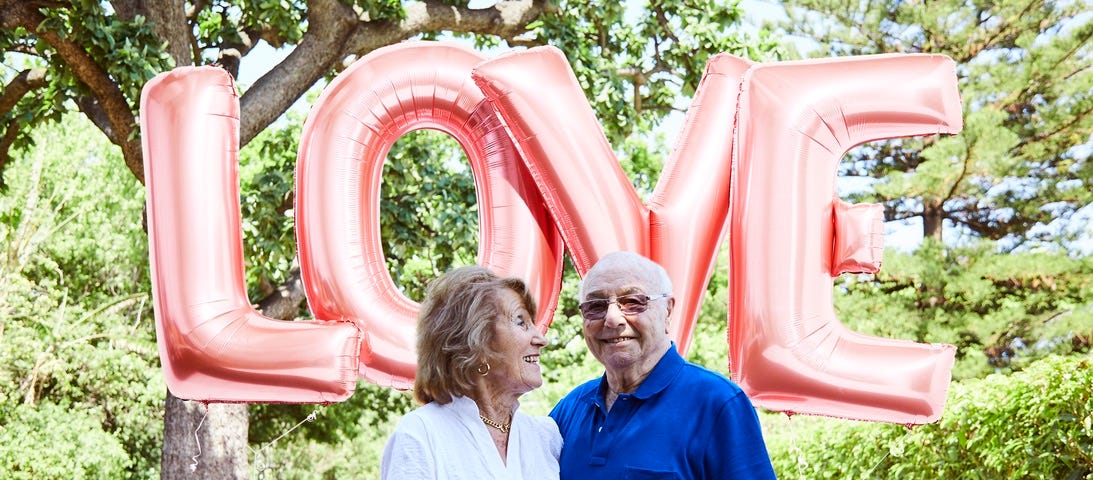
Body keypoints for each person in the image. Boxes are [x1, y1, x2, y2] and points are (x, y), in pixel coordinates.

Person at [550, 251, 777, 479]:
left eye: (632, 302)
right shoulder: (571, 408)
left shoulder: (717, 403)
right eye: (596, 306)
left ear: (667, 311)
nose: (612, 318)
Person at [381, 265, 561, 479]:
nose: (542, 339)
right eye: (521, 322)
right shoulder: (421, 433)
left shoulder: (545, 436)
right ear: (477, 342)